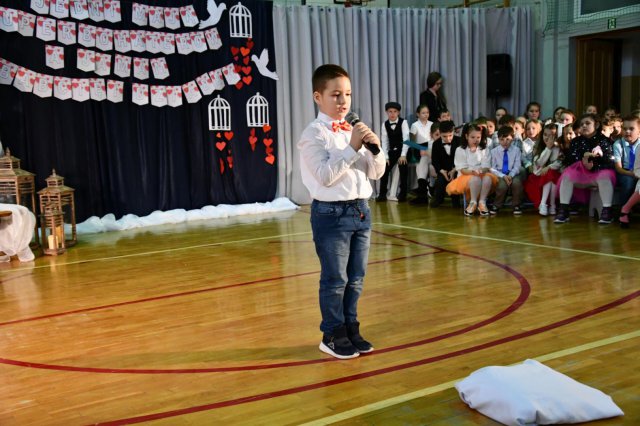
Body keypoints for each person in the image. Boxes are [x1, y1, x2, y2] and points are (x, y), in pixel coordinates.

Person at [298, 64, 386, 360]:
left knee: (356, 277)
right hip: (331, 215)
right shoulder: (313, 134)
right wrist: (351, 148)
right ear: (317, 97)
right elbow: (324, 176)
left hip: (361, 210)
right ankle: (331, 334)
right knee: (335, 279)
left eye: (347, 94)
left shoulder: (353, 130)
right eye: (335, 95)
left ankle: (351, 327)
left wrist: (375, 149)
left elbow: (375, 173)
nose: (343, 101)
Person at [554, 113, 616, 224]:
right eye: (582, 124)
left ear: (596, 125)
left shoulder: (604, 140)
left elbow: (610, 160)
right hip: (581, 174)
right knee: (567, 176)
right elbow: (570, 159)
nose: (584, 126)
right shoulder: (576, 141)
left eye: (587, 123)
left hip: (598, 172)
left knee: (605, 176)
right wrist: (583, 160)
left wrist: (596, 163)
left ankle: (607, 210)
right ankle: (564, 209)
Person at [446, 124, 497, 216]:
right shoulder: (460, 150)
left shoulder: (484, 149)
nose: (476, 140)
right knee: (475, 179)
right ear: (466, 136)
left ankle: (482, 202)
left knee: (488, 178)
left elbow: (486, 166)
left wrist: (482, 171)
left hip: (481, 173)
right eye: (472, 137)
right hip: (466, 175)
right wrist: (473, 172)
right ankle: (473, 203)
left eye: (478, 137)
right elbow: (462, 169)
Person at [524, 123, 562, 216]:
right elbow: (538, 165)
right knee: (549, 174)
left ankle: (551, 204)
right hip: (538, 179)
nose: (547, 138)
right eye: (545, 135)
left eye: (551, 135)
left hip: (554, 180)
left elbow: (559, 163)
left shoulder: (559, 148)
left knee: (551, 173)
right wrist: (548, 148)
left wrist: (549, 167)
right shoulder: (538, 147)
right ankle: (543, 203)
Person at [378, 101, 410, 202]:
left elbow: (406, 139)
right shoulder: (385, 124)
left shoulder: (403, 122)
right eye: (390, 112)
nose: (392, 114)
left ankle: (403, 194)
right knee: (384, 169)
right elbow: (384, 141)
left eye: (395, 112)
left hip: (403, 150)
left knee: (403, 168)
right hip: (392, 151)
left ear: (398, 112)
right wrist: (386, 157)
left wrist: (403, 155)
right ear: (386, 112)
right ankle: (382, 194)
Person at [489, 126, 524, 215]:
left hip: (513, 173)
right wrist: (503, 176)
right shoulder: (494, 152)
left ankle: (516, 205)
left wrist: (510, 175)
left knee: (517, 183)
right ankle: (496, 205)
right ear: (498, 139)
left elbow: (517, 166)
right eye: (502, 139)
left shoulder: (516, 151)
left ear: (512, 138)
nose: (505, 142)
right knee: (501, 186)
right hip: (500, 174)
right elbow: (492, 168)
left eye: (508, 139)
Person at [431, 120, 461, 208]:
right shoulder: (436, 144)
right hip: (443, 170)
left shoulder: (459, 141)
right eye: (444, 136)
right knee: (440, 182)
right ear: (439, 133)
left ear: (453, 132)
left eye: (450, 136)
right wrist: (441, 171)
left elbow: (463, 159)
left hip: (457, 169)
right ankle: (439, 199)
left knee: (454, 181)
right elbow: (435, 161)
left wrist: (454, 170)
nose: (448, 139)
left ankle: (456, 201)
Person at [613, 115, 640, 209]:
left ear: (639, 131)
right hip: (625, 172)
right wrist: (631, 173)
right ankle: (623, 210)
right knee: (628, 182)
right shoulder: (618, 144)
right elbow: (618, 168)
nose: (627, 131)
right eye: (625, 128)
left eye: (631, 129)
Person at [409, 104, 434, 205]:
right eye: (423, 113)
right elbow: (412, 142)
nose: (426, 115)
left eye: (427, 112)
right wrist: (422, 149)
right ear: (418, 114)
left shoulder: (432, 124)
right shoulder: (415, 125)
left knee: (427, 164)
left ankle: (426, 191)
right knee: (422, 164)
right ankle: (422, 194)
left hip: (432, 149)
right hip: (421, 151)